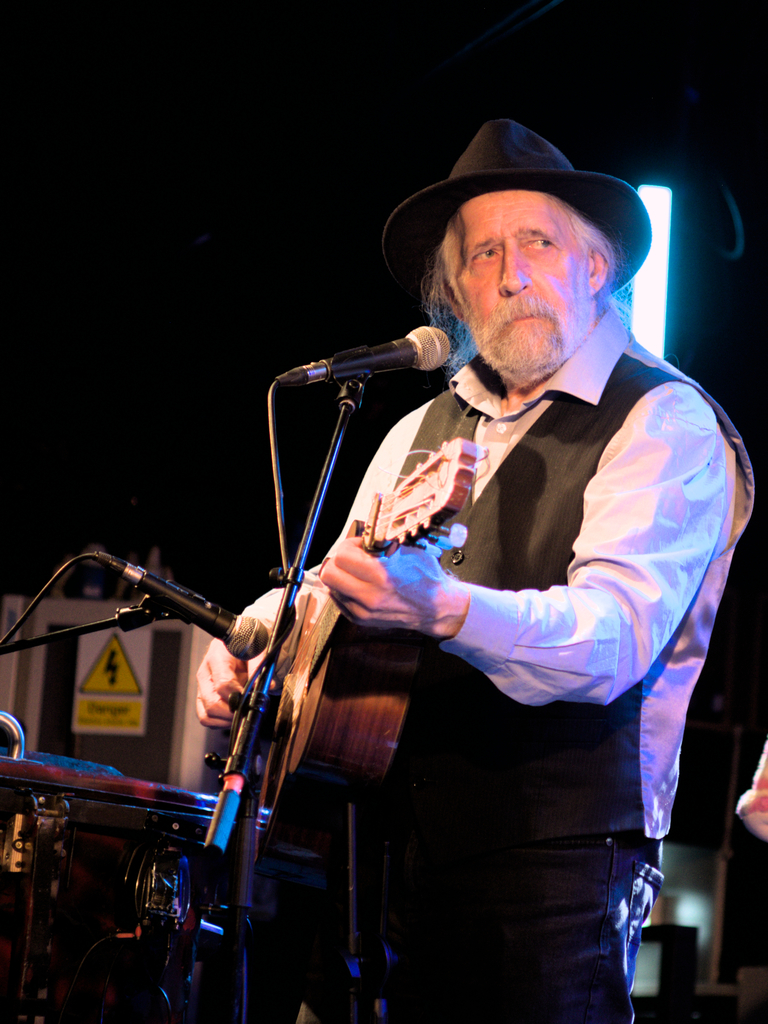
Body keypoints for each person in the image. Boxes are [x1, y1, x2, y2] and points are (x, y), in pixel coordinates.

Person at [197, 119, 754, 1023]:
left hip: (555, 866)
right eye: (482, 254)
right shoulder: (414, 431)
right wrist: (253, 640)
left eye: (538, 241)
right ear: (456, 291)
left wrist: (448, 610)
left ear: (597, 267)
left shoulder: (665, 421)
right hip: (378, 853)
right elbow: (334, 587)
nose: (511, 273)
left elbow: (614, 636)